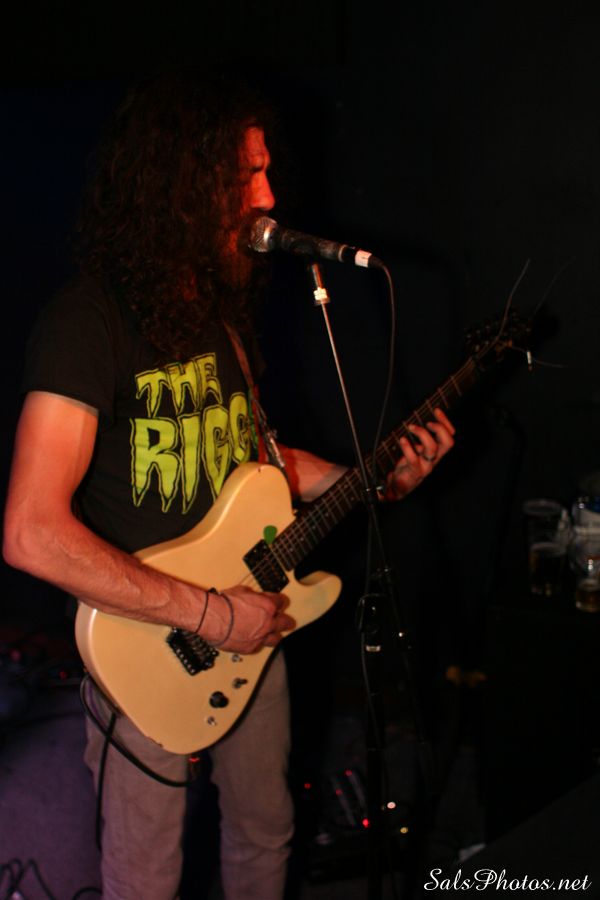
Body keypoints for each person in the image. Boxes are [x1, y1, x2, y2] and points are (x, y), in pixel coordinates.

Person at [2, 68, 455, 900]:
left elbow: (260, 465)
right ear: (182, 185)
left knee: (264, 831)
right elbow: (30, 532)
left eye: (266, 171)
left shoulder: (217, 320)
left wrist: (374, 480)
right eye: (248, 174)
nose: (269, 196)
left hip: (255, 615)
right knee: (146, 875)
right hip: (147, 642)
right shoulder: (87, 322)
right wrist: (209, 614)